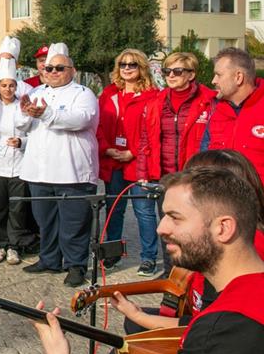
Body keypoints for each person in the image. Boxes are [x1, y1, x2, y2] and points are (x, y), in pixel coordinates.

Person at [32, 167, 264, 354]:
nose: (161, 228)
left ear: (223, 228)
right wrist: (137, 315)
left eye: (175, 217)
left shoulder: (223, 331)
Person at [106, 149, 264, 338]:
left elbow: (212, 329)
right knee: (133, 325)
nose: (161, 228)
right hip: (202, 325)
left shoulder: (241, 253)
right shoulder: (217, 247)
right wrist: (138, 316)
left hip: (209, 333)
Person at [18, 44, 99, 287]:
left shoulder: (83, 93)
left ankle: (75, 265)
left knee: (74, 223)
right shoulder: (35, 92)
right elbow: (21, 125)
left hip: (71, 172)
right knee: (45, 220)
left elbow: (81, 119)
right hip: (39, 171)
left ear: (71, 70)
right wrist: (26, 113)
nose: (52, 71)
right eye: (49, 67)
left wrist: (45, 114)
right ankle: (49, 259)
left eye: (59, 68)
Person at [136, 52, 216, 276]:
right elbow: (145, 139)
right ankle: (171, 271)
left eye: (177, 71)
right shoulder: (157, 102)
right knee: (168, 225)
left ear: (191, 74)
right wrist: (143, 172)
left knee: (196, 227)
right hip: (165, 176)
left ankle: (196, 273)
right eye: (166, 71)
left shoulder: (209, 100)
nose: (171, 75)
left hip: (194, 175)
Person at [96, 49, 160, 276]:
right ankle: (113, 253)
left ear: (141, 67)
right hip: (113, 161)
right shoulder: (109, 94)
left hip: (138, 162)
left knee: (144, 211)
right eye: (123, 64)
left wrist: (133, 152)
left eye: (132, 64)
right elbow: (99, 126)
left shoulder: (153, 96)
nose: (127, 68)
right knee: (115, 209)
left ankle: (148, 257)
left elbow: (153, 131)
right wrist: (107, 149)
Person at [0, 58, 32, 265]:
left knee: (18, 208)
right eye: (4, 85)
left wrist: (22, 141)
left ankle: (14, 246)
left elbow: (35, 133)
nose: (8, 89)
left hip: (20, 163)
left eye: (11, 85)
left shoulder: (24, 106)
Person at [201, 47, 264, 178]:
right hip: (222, 195)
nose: (213, 81)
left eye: (219, 75)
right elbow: (204, 160)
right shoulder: (216, 112)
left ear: (238, 77)